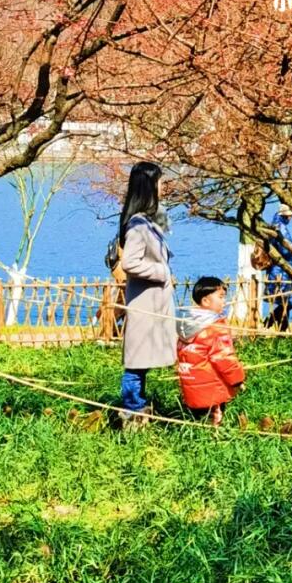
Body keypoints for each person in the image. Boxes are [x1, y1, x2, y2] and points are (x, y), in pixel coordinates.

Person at [114, 161, 176, 420]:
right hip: (144, 303)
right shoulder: (138, 225)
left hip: (151, 302)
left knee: (142, 358)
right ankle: (132, 405)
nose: (163, 186)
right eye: (160, 182)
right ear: (149, 185)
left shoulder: (147, 221)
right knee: (136, 359)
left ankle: (137, 402)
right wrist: (161, 272)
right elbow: (130, 262)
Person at [176, 276, 246, 426]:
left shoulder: (186, 326)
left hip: (191, 385)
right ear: (206, 301)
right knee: (215, 422)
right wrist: (238, 379)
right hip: (213, 388)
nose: (224, 301)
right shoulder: (215, 328)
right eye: (220, 297)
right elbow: (224, 358)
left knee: (199, 422)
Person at [264, 205, 292, 333]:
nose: (291, 218)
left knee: (285, 302)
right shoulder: (281, 229)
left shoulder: (274, 225)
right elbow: (286, 250)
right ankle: (271, 323)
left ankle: (278, 329)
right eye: (290, 216)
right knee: (287, 302)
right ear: (286, 216)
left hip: (276, 270)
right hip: (281, 271)